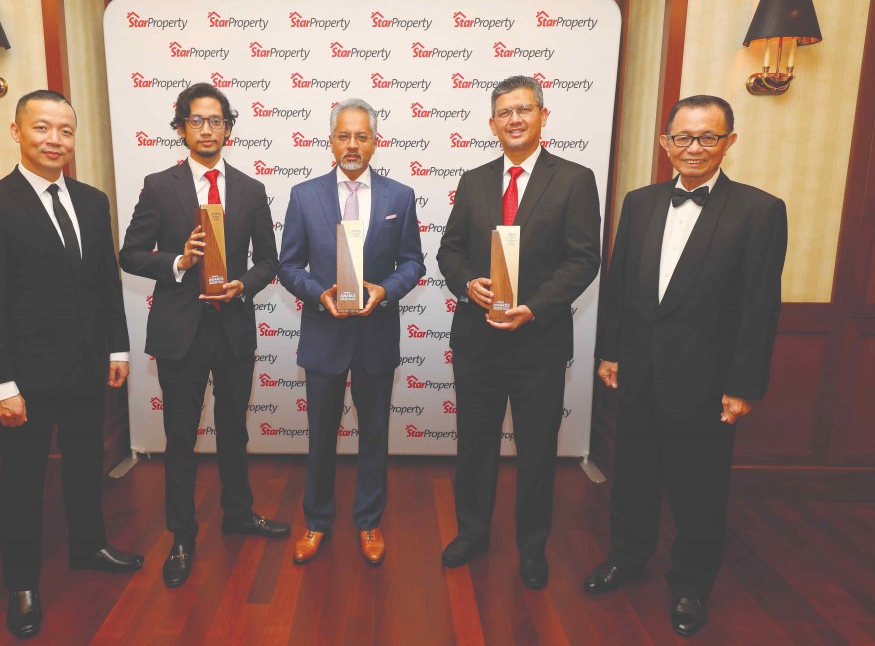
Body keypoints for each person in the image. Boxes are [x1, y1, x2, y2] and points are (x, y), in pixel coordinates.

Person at [584, 94, 787, 637]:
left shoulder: (760, 210)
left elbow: (759, 305)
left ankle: (691, 584)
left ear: (729, 142)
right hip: (638, 374)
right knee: (633, 478)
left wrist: (743, 384)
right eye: (683, 137)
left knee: (700, 489)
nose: (694, 147)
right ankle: (627, 557)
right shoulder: (641, 201)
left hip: (707, 385)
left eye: (708, 137)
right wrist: (611, 351)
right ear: (665, 143)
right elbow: (621, 285)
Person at [0, 89, 142, 639]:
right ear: (17, 132)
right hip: (25, 377)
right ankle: (22, 583)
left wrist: (117, 347)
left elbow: (105, 282)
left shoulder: (91, 200)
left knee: (86, 464)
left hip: (88, 367)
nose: (54, 140)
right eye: (42, 129)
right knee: (22, 481)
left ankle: (88, 546)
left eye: (65, 130)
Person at [119, 83, 290, 588]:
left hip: (233, 328)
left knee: (234, 431)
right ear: (181, 127)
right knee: (180, 439)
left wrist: (244, 284)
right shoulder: (158, 185)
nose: (208, 129)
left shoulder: (251, 190)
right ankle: (182, 534)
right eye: (197, 120)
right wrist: (177, 261)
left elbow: (271, 261)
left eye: (217, 121)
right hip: (180, 333)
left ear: (229, 129)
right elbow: (129, 254)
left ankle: (239, 514)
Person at [437, 75, 601, 589]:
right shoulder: (473, 180)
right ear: (491, 123)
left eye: (524, 109)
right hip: (478, 337)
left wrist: (534, 307)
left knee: (536, 451)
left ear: (543, 116)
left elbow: (584, 259)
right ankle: (472, 533)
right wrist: (468, 285)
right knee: (475, 444)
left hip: (538, 341)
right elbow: (449, 250)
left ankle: (532, 547)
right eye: (504, 112)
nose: (514, 119)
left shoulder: (574, 179)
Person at [278, 98, 425, 566]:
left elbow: (414, 263)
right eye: (344, 135)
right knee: (320, 435)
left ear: (376, 143)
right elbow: (287, 265)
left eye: (362, 136)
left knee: (374, 434)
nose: (353, 145)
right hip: (325, 335)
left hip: (376, 337)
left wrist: (385, 290)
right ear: (330, 141)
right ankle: (317, 521)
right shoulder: (304, 195)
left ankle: (369, 522)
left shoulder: (399, 197)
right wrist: (318, 292)